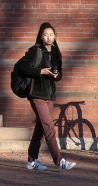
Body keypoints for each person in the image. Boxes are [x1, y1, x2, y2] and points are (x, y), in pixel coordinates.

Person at [17, 22, 76, 172]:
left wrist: (56, 76)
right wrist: (40, 72)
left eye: (51, 34)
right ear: (41, 37)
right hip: (36, 94)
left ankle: (31, 161)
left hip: (50, 95)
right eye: (45, 34)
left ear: (55, 36)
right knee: (49, 127)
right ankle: (59, 161)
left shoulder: (57, 53)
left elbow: (60, 73)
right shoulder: (35, 51)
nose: (48, 37)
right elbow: (22, 67)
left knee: (40, 128)